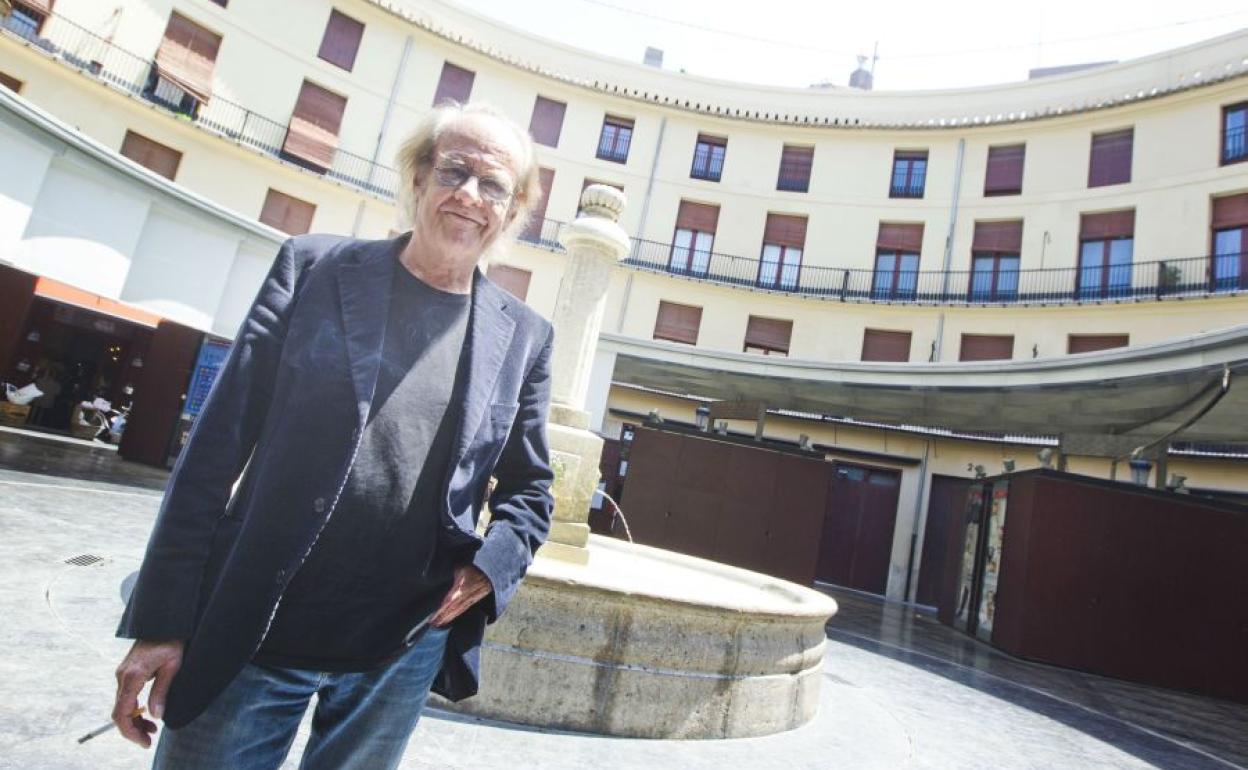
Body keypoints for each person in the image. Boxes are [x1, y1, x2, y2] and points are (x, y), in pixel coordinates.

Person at [111, 102, 556, 770]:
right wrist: (162, 620)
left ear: (513, 209)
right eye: (454, 171)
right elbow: (213, 453)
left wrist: (489, 569)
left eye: (493, 185)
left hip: (398, 653)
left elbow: (530, 490)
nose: (469, 195)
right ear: (417, 179)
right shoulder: (312, 270)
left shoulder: (524, 337)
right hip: (254, 637)